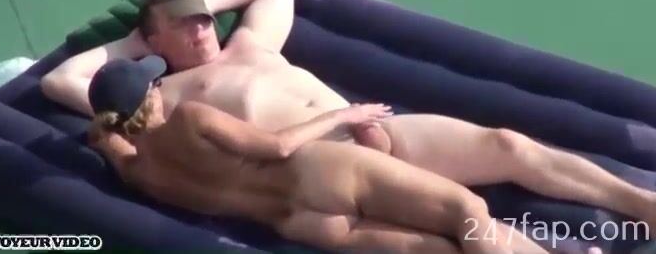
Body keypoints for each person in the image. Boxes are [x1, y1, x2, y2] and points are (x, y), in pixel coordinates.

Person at [41, 0, 656, 242]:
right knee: (464, 226)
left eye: (202, 18)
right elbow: (63, 82)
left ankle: (641, 207)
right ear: (152, 41)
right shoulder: (165, 98)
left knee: (507, 145)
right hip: (329, 168)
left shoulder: (251, 42)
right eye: (183, 24)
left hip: (381, 133)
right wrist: (138, 41)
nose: (200, 28)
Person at [85, 55, 546, 254]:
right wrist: (344, 114)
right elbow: (279, 146)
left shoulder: (139, 173)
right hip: (317, 176)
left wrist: (105, 136)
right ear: (152, 93)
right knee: (468, 212)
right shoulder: (190, 118)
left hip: (299, 223)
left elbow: (109, 145)